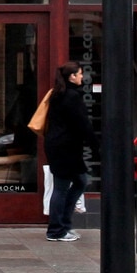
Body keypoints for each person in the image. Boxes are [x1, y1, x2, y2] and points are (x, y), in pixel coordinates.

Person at [41, 62, 99, 242]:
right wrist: (96, 146)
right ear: (72, 76)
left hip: (58, 146)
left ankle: (63, 225)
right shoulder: (71, 96)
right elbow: (82, 124)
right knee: (61, 187)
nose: (82, 77)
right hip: (65, 148)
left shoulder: (57, 94)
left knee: (80, 181)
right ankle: (56, 230)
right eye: (80, 74)